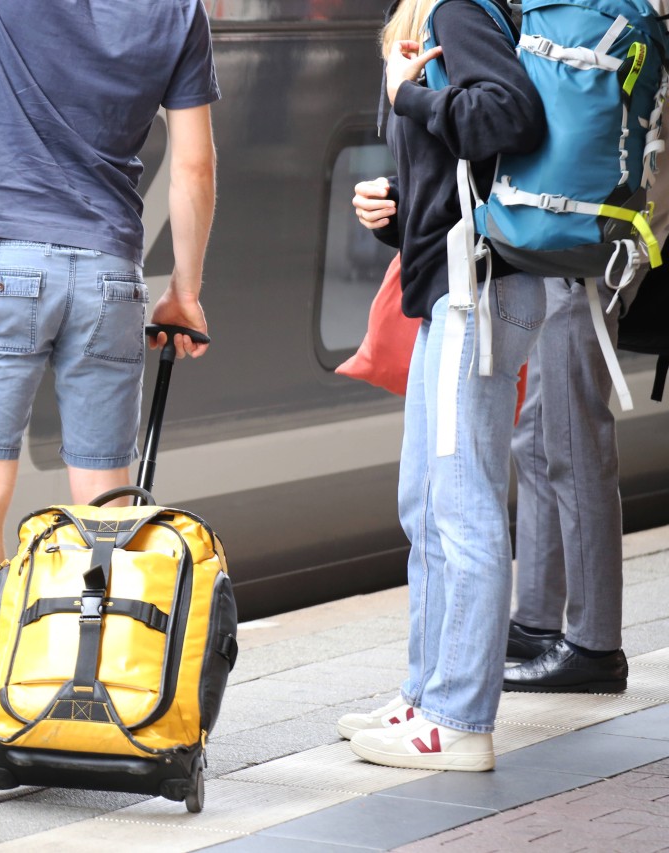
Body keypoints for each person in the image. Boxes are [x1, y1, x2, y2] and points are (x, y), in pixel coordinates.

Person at [0, 0, 219, 766]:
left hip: (3, 263)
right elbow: (193, 164)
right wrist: (184, 288)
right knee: (105, 503)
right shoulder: (177, 10)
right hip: (111, 273)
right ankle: (98, 698)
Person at [335, 0, 546, 771]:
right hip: (446, 290)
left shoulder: (460, 9)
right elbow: (462, 164)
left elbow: (509, 116)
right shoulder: (437, 17)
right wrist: (391, 206)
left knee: (464, 505)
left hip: (480, 290)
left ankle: (460, 719)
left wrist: (409, 98)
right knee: (426, 502)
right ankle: (426, 696)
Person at [503, 278, 629, 692]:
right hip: (564, 257)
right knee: (537, 437)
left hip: (587, 257)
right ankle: (536, 621)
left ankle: (594, 647)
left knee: (575, 445)